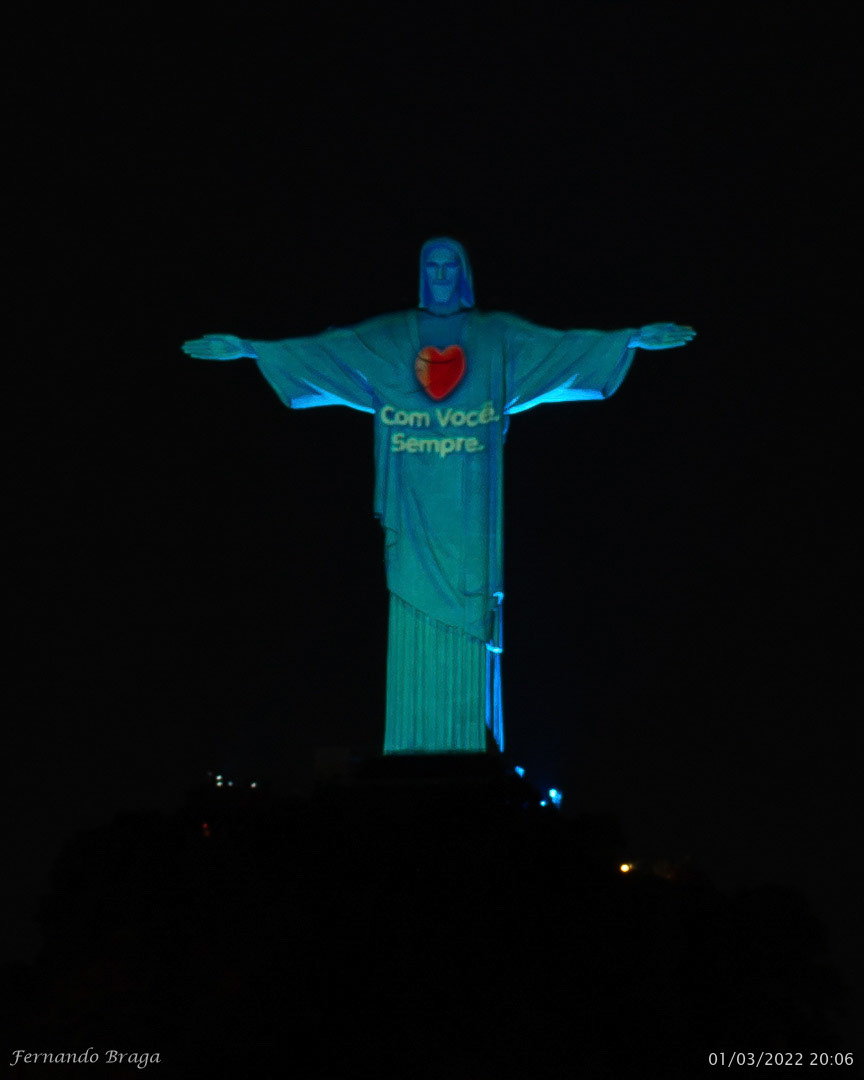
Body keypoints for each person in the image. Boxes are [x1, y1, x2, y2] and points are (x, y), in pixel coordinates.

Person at [182, 238, 695, 755]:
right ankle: (413, 743)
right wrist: (250, 348)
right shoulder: (390, 339)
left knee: (477, 617)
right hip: (413, 504)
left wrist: (629, 340)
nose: (442, 274)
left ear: (464, 273)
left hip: (471, 517)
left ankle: (472, 742)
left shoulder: (496, 337)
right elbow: (328, 353)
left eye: (451, 265)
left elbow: (560, 349)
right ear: (422, 274)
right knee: (412, 619)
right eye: (433, 265)